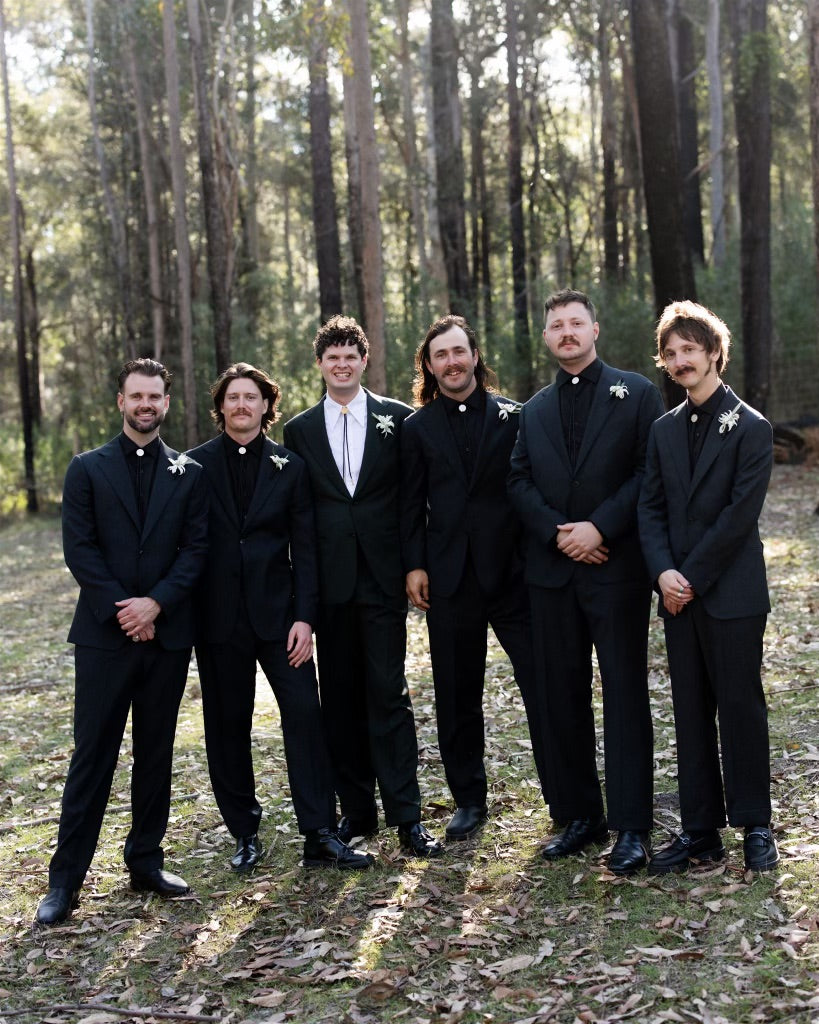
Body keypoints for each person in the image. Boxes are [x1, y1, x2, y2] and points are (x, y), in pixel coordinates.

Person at [35, 358, 209, 926]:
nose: (145, 405)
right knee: (93, 757)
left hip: (166, 637)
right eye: (136, 396)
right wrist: (127, 612)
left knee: (156, 752)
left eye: (154, 396)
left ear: (166, 402)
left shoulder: (189, 473)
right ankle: (65, 881)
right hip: (104, 639)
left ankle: (145, 861)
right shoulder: (86, 469)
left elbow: (196, 550)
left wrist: (155, 604)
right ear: (121, 402)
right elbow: (80, 550)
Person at [188, 364, 373, 873]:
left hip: (281, 619)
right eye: (232, 397)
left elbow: (306, 548)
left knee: (305, 716)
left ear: (267, 406)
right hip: (219, 621)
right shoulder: (195, 466)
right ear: (220, 406)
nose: (241, 405)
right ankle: (244, 832)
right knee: (227, 725)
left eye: (251, 397)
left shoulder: (289, 466)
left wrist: (305, 618)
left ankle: (319, 833)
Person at [508, 289, 664, 875]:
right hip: (552, 577)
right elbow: (518, 480)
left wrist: (600, 527)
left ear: (595, 330)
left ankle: (631, 826)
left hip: (616, 570)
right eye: (557, 325)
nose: (567, 332)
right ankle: (580, 816)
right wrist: (560, 534)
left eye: (576, 322)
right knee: (561, 695)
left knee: (624, 693)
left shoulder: (637, 393)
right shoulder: (534, 410)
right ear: (547, 337)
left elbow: (649, 473)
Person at [283, 315, 443, 859]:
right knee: (341, 700)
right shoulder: (300, 430)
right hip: (330, 584)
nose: (342, 364)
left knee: (388, 694)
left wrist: (413, 564)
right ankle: (356, 811)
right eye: (333, 357)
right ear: (320, 364)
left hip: (381, 578)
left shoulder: (397, 418)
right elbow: (302, 515)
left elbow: (410, 500)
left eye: (350, 356)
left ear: (364, 360)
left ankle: (408, 817)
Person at [638, 301, 778, 874]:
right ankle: (700, 830)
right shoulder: (663, 430)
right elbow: (649, 508)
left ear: (714, 352)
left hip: (732, 594)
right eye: (671, 354)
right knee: (690, 711)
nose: (680, 361)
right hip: (676, 594)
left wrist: (689, 577)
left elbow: (739, 517)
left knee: (740, 707)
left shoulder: (752, 428)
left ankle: (755, 823)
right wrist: (662, 573)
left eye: (690, 350)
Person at [401, 314, 550, 840]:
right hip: (450, 579)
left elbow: (533, 487)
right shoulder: (416, 429)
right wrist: (415, 564)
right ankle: (468, 799)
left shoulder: (515, 417)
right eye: (440, 355)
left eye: (458, 351)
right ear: (429, 365)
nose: (451, 362)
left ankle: (562, 795)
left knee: (542, 685)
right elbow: (409, 503)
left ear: (475, 356)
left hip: (514, 574)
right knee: (456, 693)